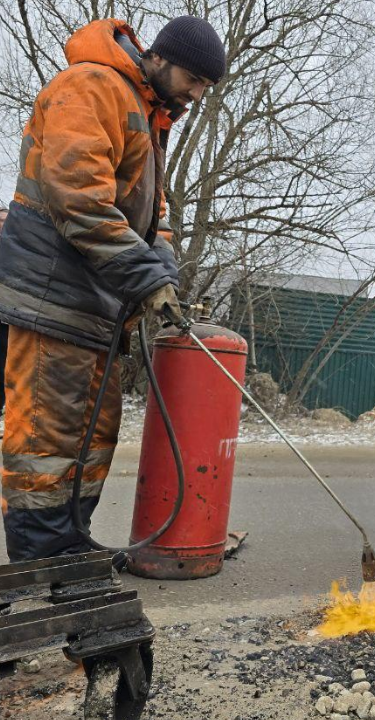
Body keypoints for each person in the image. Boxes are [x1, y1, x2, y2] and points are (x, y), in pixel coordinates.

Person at [0, 16, 227, 562]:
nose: (197, 94)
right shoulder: (91, 87)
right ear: (161, 58)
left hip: (94, 312)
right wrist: (146, 278)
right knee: (47, 448)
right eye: (194, 80)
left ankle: (70, 554)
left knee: (90, 442)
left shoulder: (146, 115)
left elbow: (154, 217)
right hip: (53, 300)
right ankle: (49, 576)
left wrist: (164, 270)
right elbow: (78, 198)